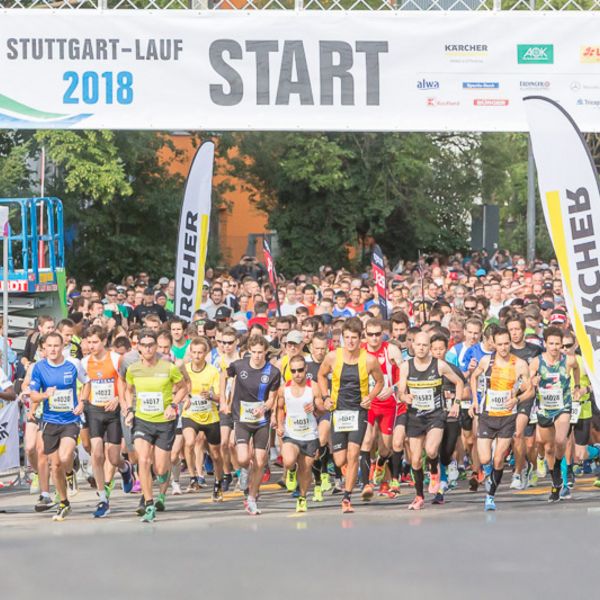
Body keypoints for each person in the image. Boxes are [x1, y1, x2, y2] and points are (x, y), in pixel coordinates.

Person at [318, 317, 384, 513]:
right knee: (339, 460)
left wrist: (370, 397)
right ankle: (350, 475)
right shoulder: (332, 357)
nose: (350, 342)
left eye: (354, 338)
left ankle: (347, 498)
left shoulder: (369, 360)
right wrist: (325, 396)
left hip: (358, 411)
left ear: (360, 338)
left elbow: (380, 382)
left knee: (354, 453)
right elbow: (321, 375)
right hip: (338, 411)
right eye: (347, 337)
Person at [124, 329, 188, 523]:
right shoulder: (133, 369)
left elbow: (184, 387)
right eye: (144, 345)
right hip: (143, 420)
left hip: (164, 421)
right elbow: (128, 390)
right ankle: (149, 503)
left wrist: (173, 405)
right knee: (143, 460)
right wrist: (129, 409)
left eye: (151, 344)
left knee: (160, 468)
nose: (148, 348)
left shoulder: (168, 367)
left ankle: (163, 482)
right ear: (138, 348)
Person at [398, 331, 464, 511]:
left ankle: (434, 468)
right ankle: (419, 496)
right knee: (416, 460)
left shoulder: (439, 365)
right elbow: (400, 391)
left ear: (429, 347)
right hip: (415, 417)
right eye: (418, 345)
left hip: (435, 415)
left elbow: (459, 382)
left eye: (425, 345)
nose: (421, 348)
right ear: (413, 346)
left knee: (432, 449)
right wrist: (405, 397)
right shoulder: (406, 366)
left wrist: (456, 403)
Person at [469, 327, 532, 511]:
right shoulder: (486, 361)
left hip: (507, 417)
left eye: (507, 343)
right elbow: (474, 377)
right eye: (500, 344)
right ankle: (488, 474)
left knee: (498, 460)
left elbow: (530, 390)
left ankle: (490, 496)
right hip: (488, 415)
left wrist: (516, 399)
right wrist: (475, 400)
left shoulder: (519, 364)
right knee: (485, 458)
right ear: (493, 344)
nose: (504, 347)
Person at [29, 332, 90, 521]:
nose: (53, 349)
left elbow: (87, 383)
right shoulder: (39, 368)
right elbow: (33, 395)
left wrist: (82, 402)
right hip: (49, 421)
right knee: (55, 466)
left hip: (70, 419)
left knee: (64, 457)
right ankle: (64, 502)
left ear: (63, 346)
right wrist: (44, 395)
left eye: (57, 346)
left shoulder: (73, 364)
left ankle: (70, 468)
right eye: (49, 346)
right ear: (44, 348)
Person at [81, 326, 134, 518]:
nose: (92, 346)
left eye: (95, 342)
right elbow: (87, 384)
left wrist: (118, 399)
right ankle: (103, 499)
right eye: (89, 342)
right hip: (94, 410)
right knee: (96, 453)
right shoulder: (85, 361)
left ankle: (125, 468)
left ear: (103, 341)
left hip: (112, 411)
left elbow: (124, 382)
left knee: (113, 457)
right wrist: (82, 402)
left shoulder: (115, 359)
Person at [226, 334, 281, 515]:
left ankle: (251, 497)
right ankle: (244, 473)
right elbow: (224, 375)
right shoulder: (239, 365)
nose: (257, 356)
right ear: (249, 351)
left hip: (261, 421)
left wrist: (265, 407)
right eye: (254, 352)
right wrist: (225, 402)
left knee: (260, 460)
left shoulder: (272, 372)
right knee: (243, 459)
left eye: (261, 352)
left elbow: (272, 398)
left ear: (266, 352)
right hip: (242, 419)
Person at [529, 326, 580, 502]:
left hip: (563, 405)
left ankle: (558, 465)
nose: (554, 347)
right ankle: (555, 481)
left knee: (560, 440)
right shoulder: (537, 362)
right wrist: (532, 381)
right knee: (548, 447)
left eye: (557, 344)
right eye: (551, 343)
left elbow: (576, 370)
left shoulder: (569, 360)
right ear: (545, 344)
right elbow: (527, 382)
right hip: (544, 409)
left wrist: (577, 386)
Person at [276, 354, 325, 513]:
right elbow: (279, 408)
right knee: (289, 461)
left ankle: (302, 497)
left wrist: (315, 408)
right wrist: (279, 424)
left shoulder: (314, 387)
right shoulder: (284, 389)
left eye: (300, 370)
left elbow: (321, 406)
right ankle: (290, 471)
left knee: (306, 469)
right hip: (291, 433)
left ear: (306, 369)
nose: (297, 374)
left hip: (310, 435)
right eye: (293, 371)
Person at [360, 318, 402, 500]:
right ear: (365, 334)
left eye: (378, 334)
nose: (375, 338)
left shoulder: (390, 349)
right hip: (369, 403)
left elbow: (405, 374)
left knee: (386, 447)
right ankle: (366, 484)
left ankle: (381, 462)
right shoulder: (360, 352)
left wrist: (392, 388)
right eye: (371, 335)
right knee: (367, 440)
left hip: (388, 403)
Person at [181, 336, 225, 502]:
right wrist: (185, 398)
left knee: (215, 454)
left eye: (200, 353)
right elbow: (177, 389)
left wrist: (212, 396)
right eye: (194, 352)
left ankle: (218, 483)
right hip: (190, 414)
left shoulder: (213, 371)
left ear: (206, 353)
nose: (197, 356)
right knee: (190, 442)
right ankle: (193, 478)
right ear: (190, 353)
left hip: (210, 416)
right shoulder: (184, 369)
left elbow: (222, 398)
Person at [506, 314, 541, 490]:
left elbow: (544, 369)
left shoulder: (534, 350)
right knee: (516, 435)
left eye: (517, 329)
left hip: (530, 398)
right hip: (510, 399)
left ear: (523, 330)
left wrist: (537, 379)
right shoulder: (504, 352)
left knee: (529, 442)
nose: (514, 333)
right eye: (511, 330)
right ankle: (518, 472)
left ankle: (532, 467)